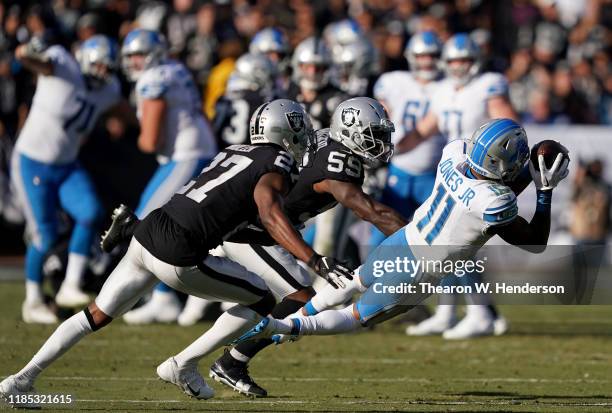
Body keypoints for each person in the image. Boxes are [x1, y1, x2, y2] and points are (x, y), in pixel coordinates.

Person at [0, 99, 352, 408]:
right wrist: (312, 258)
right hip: (179, 251)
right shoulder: (277, 161)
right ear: (284, 132)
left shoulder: (232, 151)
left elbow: (216, 203)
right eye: (300, 129)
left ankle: (22, 379)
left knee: (94, 315)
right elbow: (268, 212)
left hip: (150, 232)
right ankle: (183, 364)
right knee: (262, 300)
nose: (305, 136)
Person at [235, 119, 570, 349]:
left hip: (403, 239)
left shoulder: (453, 153)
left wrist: (525, 170)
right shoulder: (494, 201)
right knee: (355, 317)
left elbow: (493, 181)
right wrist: (544, 189)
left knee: (351, 283)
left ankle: (292, 319)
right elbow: (534, 242)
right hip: (421, 270)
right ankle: (284, 328)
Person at [208, 97, 404, 397]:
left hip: (265, 227)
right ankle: (229, 361)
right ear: (352, 131)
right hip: (253, 229)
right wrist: (423, 241)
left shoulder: (328, 140)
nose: (381, 142)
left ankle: (227, 360)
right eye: (375, 134)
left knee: (278, 298)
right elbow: (371, 212)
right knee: (299, 296)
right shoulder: (340, 161)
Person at [396, 33, 518, 339]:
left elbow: (510, 127)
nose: (459, 66)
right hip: (458, 172)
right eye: (453, 60)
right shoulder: (442, 91)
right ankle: (449, 311)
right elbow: (424, 130)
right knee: (448, 244)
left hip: (482, 174)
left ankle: (479, 313)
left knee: (457, 244)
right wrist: (390, 151)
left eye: (464, 60)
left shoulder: (488, 85)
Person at [110, 28, 218, 326]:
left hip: (186, 155)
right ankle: (162, 296)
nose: (134, 62)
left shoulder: (153, 79)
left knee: (148, 223)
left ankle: (163, 298)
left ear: (153, 55)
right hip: (194, 151)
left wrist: (127, 126)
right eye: (130, 56)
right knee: (153, 221)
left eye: (139, 55)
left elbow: (151, 141)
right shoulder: (175, 69)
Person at [11, 34, 121, 323]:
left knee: (91, 212)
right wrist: (25, 53)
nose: (104, 73)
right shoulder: (63, 65)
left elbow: (120, 109)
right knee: (44, 235)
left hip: (66, 164)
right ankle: (32, 301)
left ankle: (70, 285)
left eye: (108, 68)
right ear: (85, 60)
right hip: (32, 162)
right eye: (99, 66)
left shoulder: (109, 89)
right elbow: (36, 61)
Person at [370, 31, 446, 247]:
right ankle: (370, 278)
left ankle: (458, 281)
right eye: (422, 55)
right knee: (381, 235)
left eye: (432, 55)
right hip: (399, 170)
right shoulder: (393, 81)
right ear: (411, 56)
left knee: (443, 237)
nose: (427, 61)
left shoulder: (448, 87)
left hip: (434, 175)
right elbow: (379, 116)